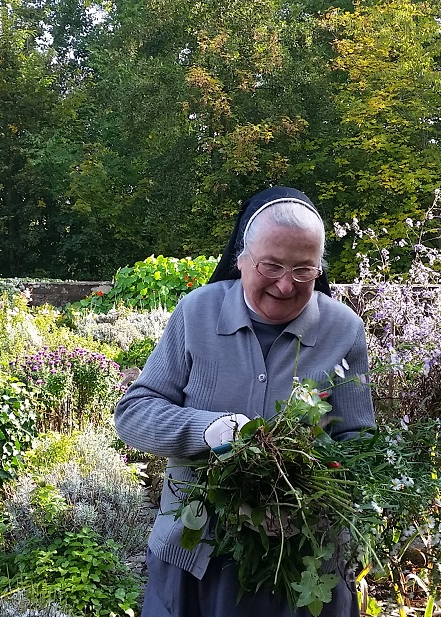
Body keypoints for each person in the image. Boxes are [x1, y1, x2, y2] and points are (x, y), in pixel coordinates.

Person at [115, 186, 374, 617]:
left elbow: (359, 441)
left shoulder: (343, 330)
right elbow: (134, 413)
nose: (286, 284)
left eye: (304, 271)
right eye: (271, 265)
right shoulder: (196, 312)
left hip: (302, 565)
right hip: (196, 559)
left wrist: (307, 501)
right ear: (241, 258)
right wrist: (206, 430)